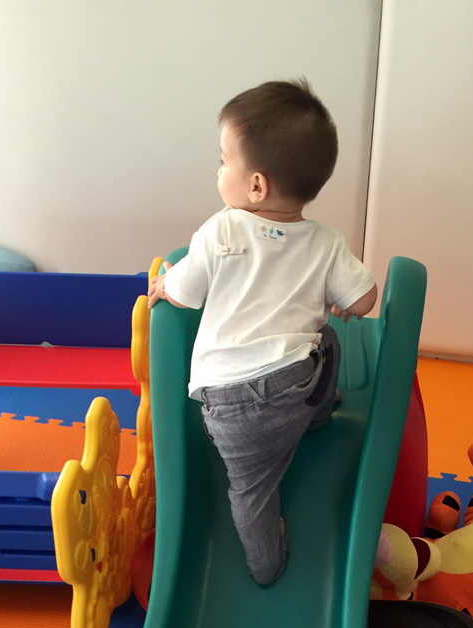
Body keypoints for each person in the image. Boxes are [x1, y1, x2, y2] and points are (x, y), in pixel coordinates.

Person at [147, 78, 377, 585]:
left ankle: (265, 563)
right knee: (328, 341)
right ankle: (319, 414)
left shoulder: (220, 229)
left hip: (226, 408)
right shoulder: (327, 242)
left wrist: (164, 281)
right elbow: (364, 301)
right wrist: (339, 302)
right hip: (296, 387)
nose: (218, 171)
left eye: (223, 160)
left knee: (250, 493)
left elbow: (183, 293)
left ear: (255, 184)